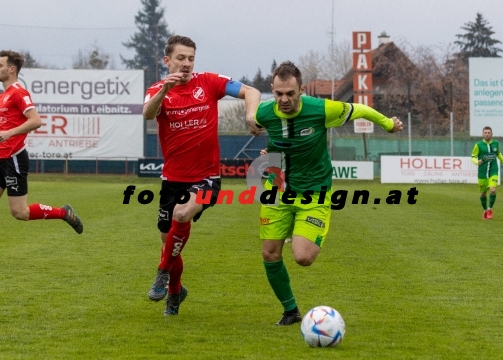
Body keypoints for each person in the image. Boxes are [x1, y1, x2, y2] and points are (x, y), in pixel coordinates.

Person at [251, 61, 403, 325]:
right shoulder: (265, 113)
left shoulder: (321, 109)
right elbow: (260, 125)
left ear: (302, 90)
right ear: (272, 91)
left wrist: (388, 123)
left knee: (303, 257)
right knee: (269, 253)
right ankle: (290, 311)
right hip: (277, 191)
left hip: (315, 193)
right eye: (279, 94)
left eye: (290, 93)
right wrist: (262, 141)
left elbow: (361, 108)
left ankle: (304, 228)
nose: (284, 99)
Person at [143, 35, 261, 315]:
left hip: (207, 178)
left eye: (191, 59)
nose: (186, 64)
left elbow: (251, 91)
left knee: (181, 216)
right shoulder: (158, 90)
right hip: (172, 179)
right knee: (170, 243)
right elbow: (148, 113)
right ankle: (175, 293)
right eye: (181, 58)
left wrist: (250, 115)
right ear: (167, 60)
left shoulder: (208, 82)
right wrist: (163, 91)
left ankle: (161, 274)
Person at [0, 50, 83, 234]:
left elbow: (36, 121)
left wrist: (10, 133)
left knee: (20, 212)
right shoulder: (3, 95)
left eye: (1, 66)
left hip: (13, 158)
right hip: (1, 157)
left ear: (12, 69)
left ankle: (63, 213)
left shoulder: (18, 93)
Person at [471, 126, 503, 219]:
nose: (487, 134)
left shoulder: (496, 143)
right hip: (482, 173)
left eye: (489, 133)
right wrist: (477, 162)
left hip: (493, 170)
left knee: (493, 190)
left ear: (492, 134)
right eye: (485, 132)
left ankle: (490, 209)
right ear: (482, 134)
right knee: (483, 194)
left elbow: (498, 154)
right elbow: (473, 156)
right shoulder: (478, 145)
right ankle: (485, 210)